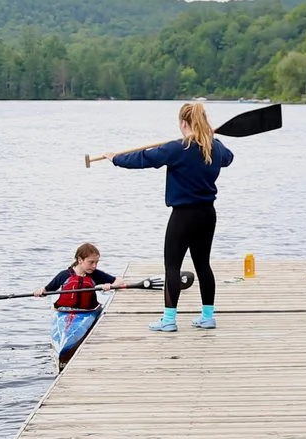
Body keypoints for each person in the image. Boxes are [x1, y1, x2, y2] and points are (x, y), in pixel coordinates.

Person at [99, 102, 231, 332]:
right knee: (203, 265)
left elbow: (144, 159)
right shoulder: (215, 148)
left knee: (172, 266)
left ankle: (169, 320)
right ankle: (207, 317)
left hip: (183, 216)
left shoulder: (177, 148)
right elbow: (229, 158)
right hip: (207, 215)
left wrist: (115, 158)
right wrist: (211, 138)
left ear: (183, 123)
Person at [44, 242, 124, 362]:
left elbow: (119, 281)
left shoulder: (95, 275)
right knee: (64, 336)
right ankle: (62, 349)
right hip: (63, 312)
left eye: (96, 262)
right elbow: (46, 290)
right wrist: (40, 291)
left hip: (87, 312)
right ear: (80, 260)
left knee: (75, 333)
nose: (94, 266)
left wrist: (111, 286)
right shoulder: (64, 275)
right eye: (91, 262)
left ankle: (68, 348)